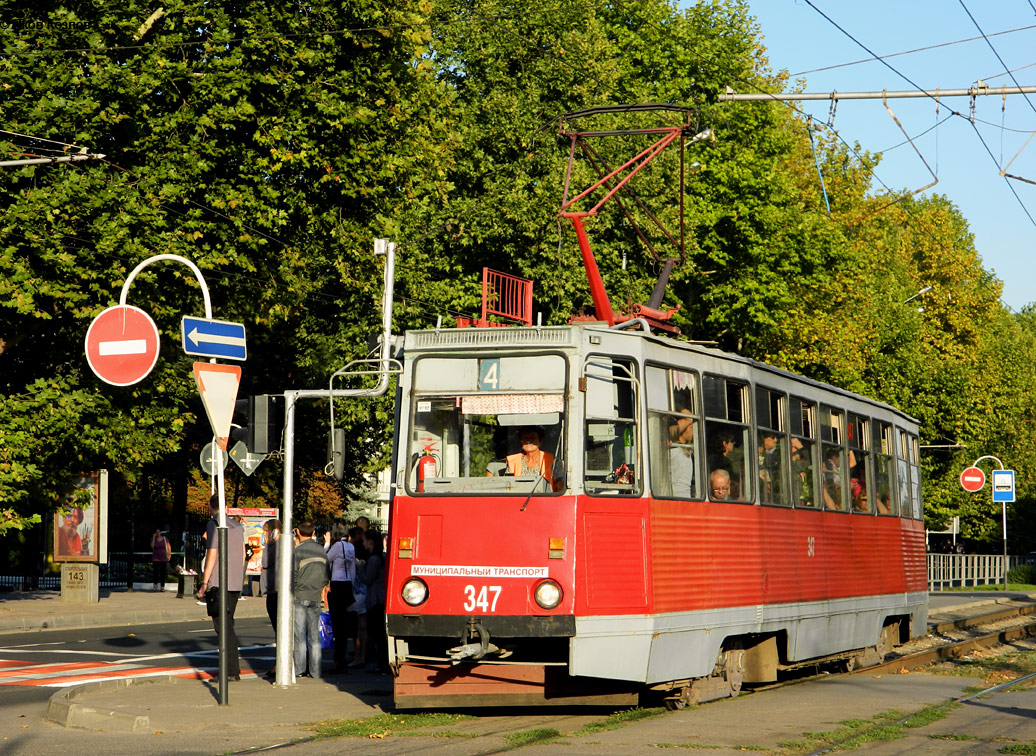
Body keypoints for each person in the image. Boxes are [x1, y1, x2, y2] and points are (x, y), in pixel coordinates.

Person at [197, 496, 246, 681]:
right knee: (228, 624)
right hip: (234, 582)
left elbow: (212, 552)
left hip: (219, 581)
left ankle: (230, 671)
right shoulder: (237, 526)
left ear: (210, 506)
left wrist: (204, 581)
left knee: (222, 628)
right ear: (226, 506)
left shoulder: (214, 524)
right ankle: (232, 670)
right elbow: (242, 554)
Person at [293, 521, 330, 679]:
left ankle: (299, 669)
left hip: (300, 596)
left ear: (298, 533)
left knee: (299, 635)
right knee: (314, 636)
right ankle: (315, 671)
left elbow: (292, 575)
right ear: (314, 532)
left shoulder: (297, 551)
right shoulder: (321, 551)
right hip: (315, 597)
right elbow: (326, 575)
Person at [324, 518, 356, 675]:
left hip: (337, 584)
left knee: (337, 624)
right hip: (348, 584)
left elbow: (325, 559)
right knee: (344, 625)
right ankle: (342, 659)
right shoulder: (350, 546)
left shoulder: (336, 546)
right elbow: (353, 569)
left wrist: (327, 543)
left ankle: (337, 661)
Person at [363, 530, 388, 674]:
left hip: (374, 600)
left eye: (365, 540)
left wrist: (360, 567)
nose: (364, 543)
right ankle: (382, 663)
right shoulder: (382, 557)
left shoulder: (373, 560)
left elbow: (367, 579)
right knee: (380, 634)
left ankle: (381, 664)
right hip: (381, 598)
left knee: (376, 634)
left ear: (371, 542)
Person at [347, 526, 369, 668]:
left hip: (355, 593)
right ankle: (363, 656)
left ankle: (357, 656)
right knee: (363, 628)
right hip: (365, 593)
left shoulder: (352, 554)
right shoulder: (368, 555)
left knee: (356, 629)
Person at [667, 410, 696, 498]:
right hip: (676, 497)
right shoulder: (673, 449)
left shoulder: (686, 450)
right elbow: (686, 414)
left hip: (684, 496)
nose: (693, 432)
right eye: (690, 427)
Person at [259, 519, 280, 639]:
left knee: (276, 621)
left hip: (275, 587)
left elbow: (265, 562)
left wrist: (267, 545)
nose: (265, 534)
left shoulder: (276, 545)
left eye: (267, 531)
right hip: (274, 587)